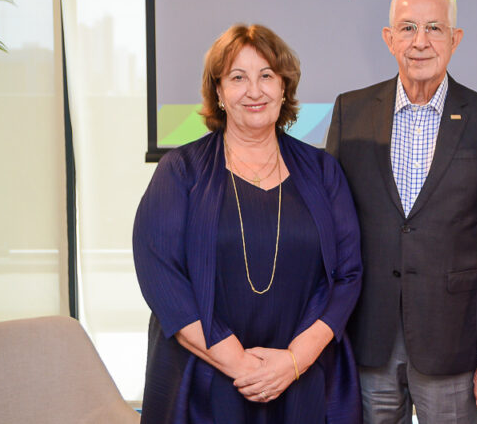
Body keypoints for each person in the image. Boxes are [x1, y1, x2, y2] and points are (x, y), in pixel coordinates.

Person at [133, 24, 363, 424]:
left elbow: (347, 275)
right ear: (219, 92)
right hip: (204, 379)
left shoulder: (324, 171)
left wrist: (293, 361)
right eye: (237, 77)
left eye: (267, 76)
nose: (254, 91)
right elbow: (160, 276)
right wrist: (239, 364)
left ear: (284, 88)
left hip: (303, 378)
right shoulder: (180, 171)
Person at [325, 0, 477, 423]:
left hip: (455, 344)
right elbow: (330, 228)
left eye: (434, 28)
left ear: (455, 38)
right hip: (366, 336)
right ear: (389, 39)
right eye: (408, 28)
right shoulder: (349, 112)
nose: (420, 42)